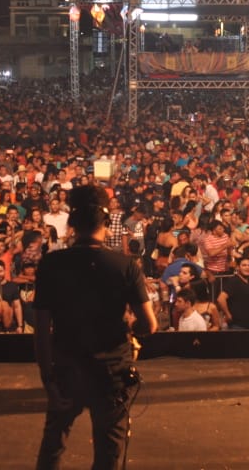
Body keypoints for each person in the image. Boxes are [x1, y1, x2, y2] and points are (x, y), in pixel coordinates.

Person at [34, 184, 157, 470]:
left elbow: (41, 329)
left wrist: (47, 379)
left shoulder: (51, 264)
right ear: (105, 224)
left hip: (66, 367)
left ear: (73, 224)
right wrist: (131, 329)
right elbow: (149, 324)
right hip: (111, 371)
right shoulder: (125, 265)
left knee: (53, 444)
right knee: (108, 452)